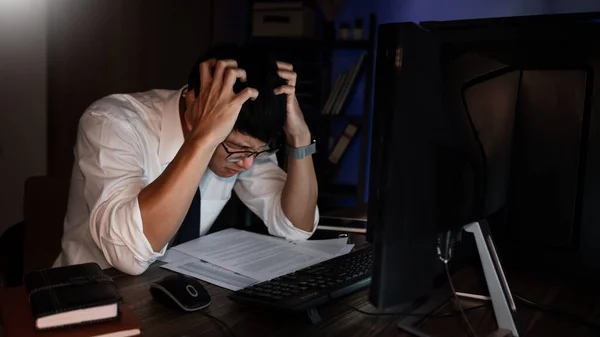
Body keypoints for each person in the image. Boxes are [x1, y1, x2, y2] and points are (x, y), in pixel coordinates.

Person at [53, 44, 320, 275]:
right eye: (236, 149)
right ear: (195, 105)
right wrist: (204, 137)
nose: (247, 164)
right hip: (88, 299)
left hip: (172, 296)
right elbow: (129, 256)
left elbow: (295, 227)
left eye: (256, 152)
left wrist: (300, 137)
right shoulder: (111, 122)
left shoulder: (245, 147)